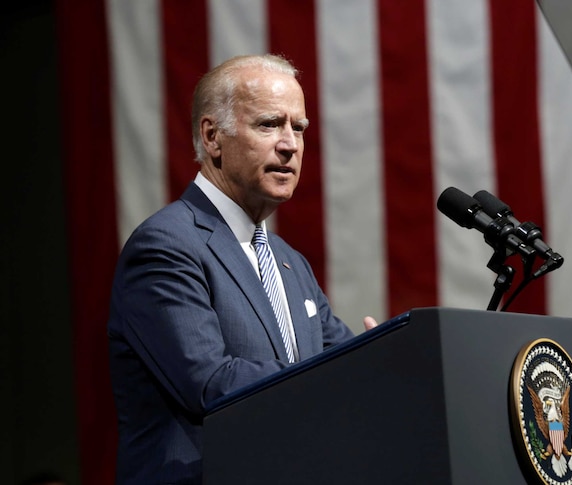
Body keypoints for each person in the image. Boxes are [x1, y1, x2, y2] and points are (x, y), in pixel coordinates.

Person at [107, 53, 378, 484]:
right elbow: (208, 382)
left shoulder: (289, 262)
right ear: (212, 137)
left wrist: (382, 359)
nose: (290, 144)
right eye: (270, 124)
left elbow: (340, 360)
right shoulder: (166, 246)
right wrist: (346, 370)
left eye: (299, 128)